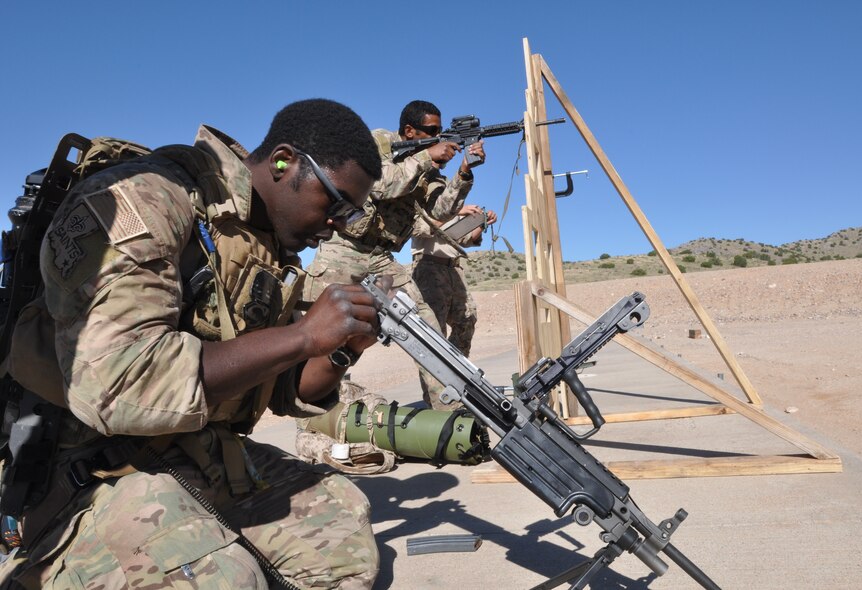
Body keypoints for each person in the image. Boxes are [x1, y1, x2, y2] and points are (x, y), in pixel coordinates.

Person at [3, 99, 386, 589]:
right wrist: (302, 335)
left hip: (193, 455)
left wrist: (342, 346)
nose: (337, 222)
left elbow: (285, 387)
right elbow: (120, 382)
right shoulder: (144, 199)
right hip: (84, 470)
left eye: (349, 211)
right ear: (285, 160)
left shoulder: (260, 239)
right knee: (219, 579)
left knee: (341, 536)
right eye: (334, 201)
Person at [305, 100, 484, 410]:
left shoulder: (429, 168)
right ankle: (320, 416)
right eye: (432, 131)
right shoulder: (379, 143)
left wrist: (464, 173)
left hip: (381, 256)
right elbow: (377, 185)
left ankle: (446, 410)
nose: (438, 137)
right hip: (343, 249)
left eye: (441, 132)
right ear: (409, 131)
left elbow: (439, 210)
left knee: (426, 329)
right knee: (326, 334)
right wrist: (428, 157)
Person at [411, 204, 497, 358]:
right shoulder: (421, 203)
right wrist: (455, 211)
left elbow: (464, 239)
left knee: (467, 320)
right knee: (434, 328)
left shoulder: (456, 208)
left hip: (454, 269)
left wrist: (482, 222)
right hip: (429, 268)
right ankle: (437, 375)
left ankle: (456, 367)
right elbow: (420, 229)